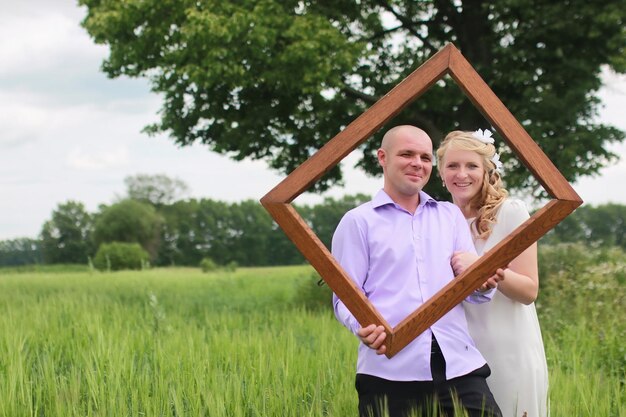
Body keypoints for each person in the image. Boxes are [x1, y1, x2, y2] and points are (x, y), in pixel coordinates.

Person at [331, 125, 503, 417]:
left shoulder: (449, 216)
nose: (417, 163)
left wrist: (484, 285)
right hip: (390, 373)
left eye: (425, 157)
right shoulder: (358, 222)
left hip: (460, 365)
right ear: (382, 157)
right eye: (407, 154)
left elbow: (472, 289)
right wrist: (361, 326)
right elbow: (345, 297)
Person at [436, 129, 549, 417]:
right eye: (453, 166)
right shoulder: (439, 219)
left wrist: (484, 268)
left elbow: (528, 291)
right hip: (457, 351)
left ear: (487, 170)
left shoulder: (510, 212)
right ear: (441, 172)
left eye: (472, 166)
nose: (462, 174)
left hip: (507, 346)